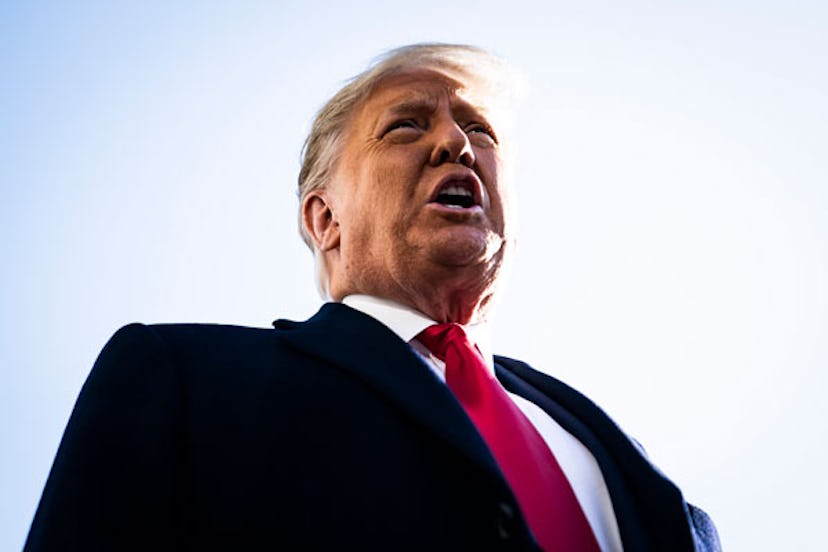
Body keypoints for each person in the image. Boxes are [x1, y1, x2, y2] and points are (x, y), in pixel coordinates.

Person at [24, 43, 721, 551]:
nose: (456, 143)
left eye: (479, 129)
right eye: (407, 125)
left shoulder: (621, 456)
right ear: (324, 218)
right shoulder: (183, 376)